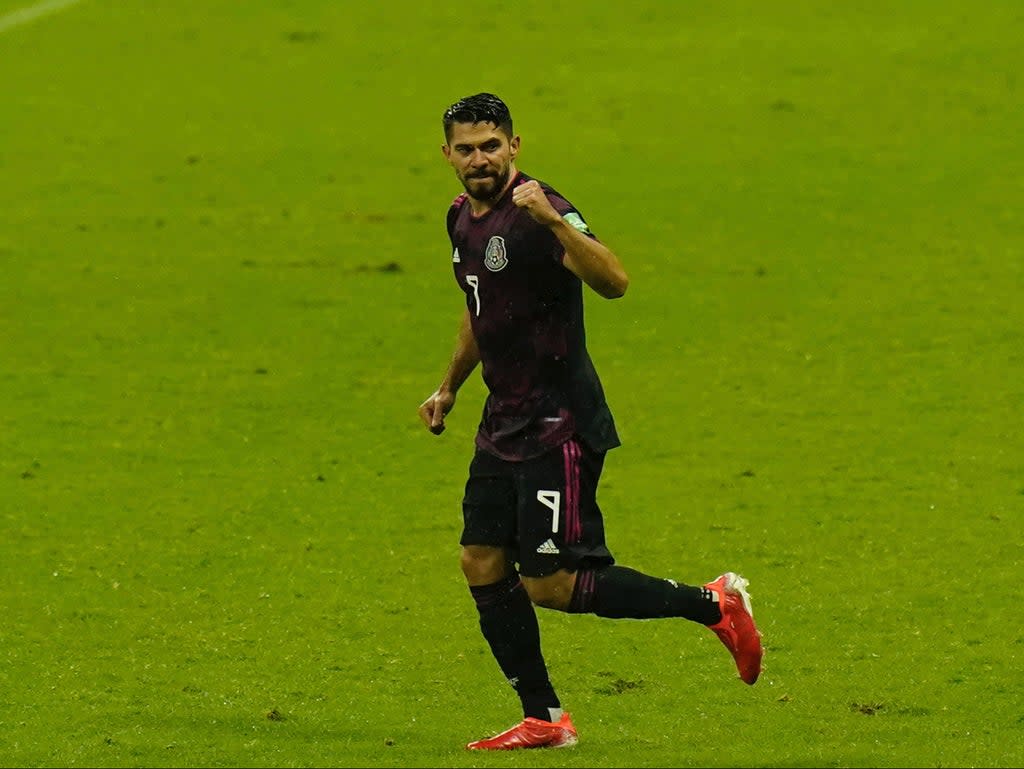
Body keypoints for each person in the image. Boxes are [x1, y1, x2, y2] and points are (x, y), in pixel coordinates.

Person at [418, 92, 763, 751]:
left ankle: (715, 604)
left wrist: (555, 223)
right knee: (480, 558)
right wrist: (448, 387)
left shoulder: (539, 209)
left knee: (551, 581)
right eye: (466, 148)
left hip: (559, 422)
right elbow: (479, 307)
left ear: (514, 146)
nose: (479, 158)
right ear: (448, 156)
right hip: (503, 420)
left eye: (491, 145)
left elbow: (615, 280)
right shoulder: (461, 218)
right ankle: (544, 715)